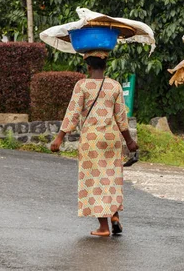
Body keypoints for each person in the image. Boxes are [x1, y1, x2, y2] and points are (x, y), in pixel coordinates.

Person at [50, 51, 138, 237]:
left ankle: (104, 227)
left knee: (94, 180)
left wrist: (59, 137)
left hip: (92, 139)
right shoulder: (114, 86)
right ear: (106, 66)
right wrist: (129, 141)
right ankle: (114, 215)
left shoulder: (82, 85)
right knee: (111, 177)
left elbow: (73, 113)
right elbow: (121, 117)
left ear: (88, 67)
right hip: (112, 138)